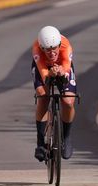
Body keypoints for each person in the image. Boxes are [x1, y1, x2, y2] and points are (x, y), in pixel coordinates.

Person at [31, 26, 77, 161]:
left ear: (59, 45)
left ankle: (66, 137)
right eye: (47, 50)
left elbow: (67, 69)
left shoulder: (66, 46)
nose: (51, 53)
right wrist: (49, 75)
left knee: (68, 102)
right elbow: (44, 75)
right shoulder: (37, 50)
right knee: (42, 95)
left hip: (63, 65)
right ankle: (40, 143)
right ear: (41, 47)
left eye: (54, 49)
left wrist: (62, 73)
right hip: (43, 67)